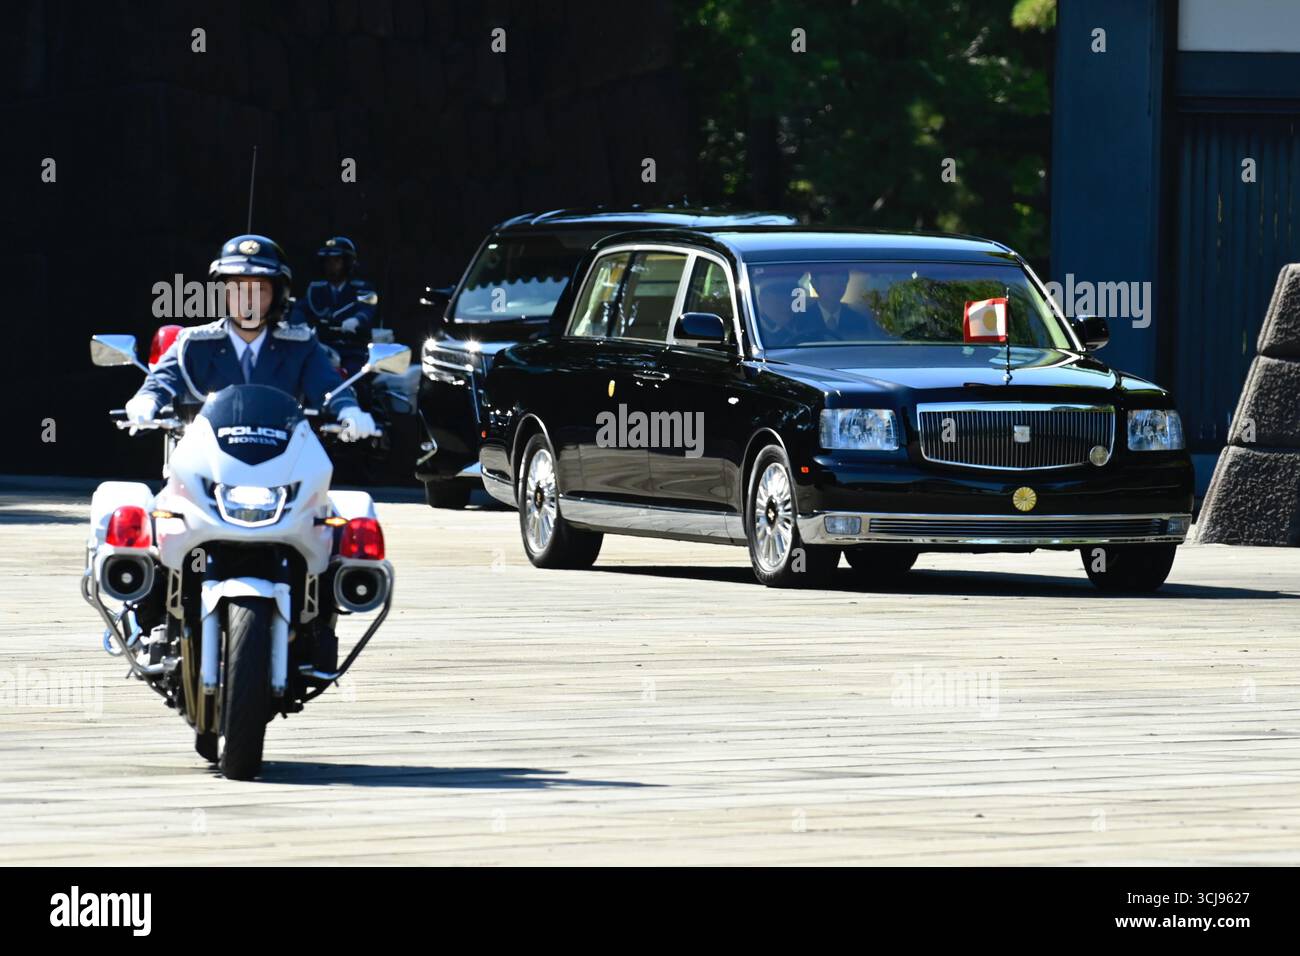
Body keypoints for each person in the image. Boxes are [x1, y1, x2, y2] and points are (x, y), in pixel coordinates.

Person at [124, 234, 377, 441]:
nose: (248, 300)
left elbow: (328, 386)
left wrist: (349, 409)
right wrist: (146, 400)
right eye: (237, 289)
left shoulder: (300, 345)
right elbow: (164, 379)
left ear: (279, 295)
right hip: (206, 460)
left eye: (260, 290)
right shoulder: (193, 343)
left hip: (282, 460)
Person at [288, 236, 378, 375]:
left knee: (353, 379)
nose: (331, 266)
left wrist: (356, 321)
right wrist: (295, 324)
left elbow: (367, 310)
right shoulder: (316, 289)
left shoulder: (363, 288)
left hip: (352, 350)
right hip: (321, 347)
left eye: (336, 261)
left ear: (348, 263)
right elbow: (301, 308)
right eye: (328, 261)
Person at [808, 266, 888, 341]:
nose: (837, 285)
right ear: (815, 283)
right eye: (831, 281)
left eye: (841, 280)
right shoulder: (800, 320)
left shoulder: (858, 321)